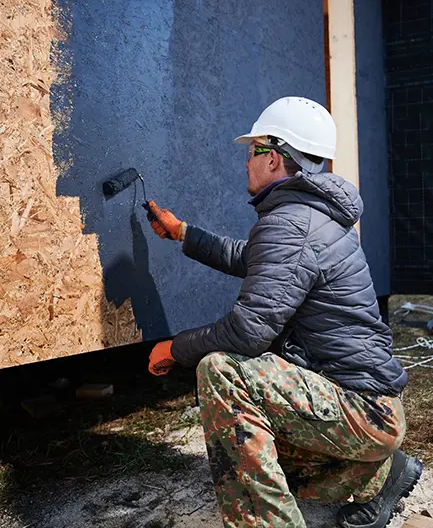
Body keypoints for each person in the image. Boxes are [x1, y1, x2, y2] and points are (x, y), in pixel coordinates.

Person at [145, 97, 422, 528]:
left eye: (251, 149)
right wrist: (185, 233)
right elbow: (254, 257)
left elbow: (248, 331)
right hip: (369, 405)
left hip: (363, 410)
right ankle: (381, 474)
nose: (246, 159)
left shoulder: (291, 223)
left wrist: (175, 347)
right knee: (261, 463)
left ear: (273, 156)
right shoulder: (307, 216)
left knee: (221, 370)